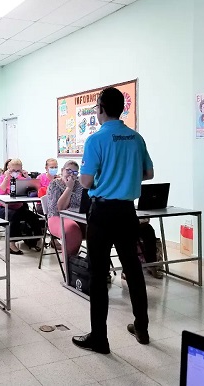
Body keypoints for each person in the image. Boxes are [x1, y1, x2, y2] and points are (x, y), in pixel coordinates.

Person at [72, 87, 154, 355]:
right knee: (133, 268)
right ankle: (141, 326)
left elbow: (85, 181)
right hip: (127, 212)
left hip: (103, 213)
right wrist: (125, 179)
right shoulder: (136, 137)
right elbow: (148, 173)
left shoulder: (96, 140)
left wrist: (106, 181)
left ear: (101, 109)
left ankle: (100, 338)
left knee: (97, 275)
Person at [0, 158, 43, 254]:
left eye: (18, 171)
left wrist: (28, 177)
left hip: (18, 207)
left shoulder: (21, 179)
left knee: (34, 217)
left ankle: (36, 239)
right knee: (14, 216)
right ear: (8, 168)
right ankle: (11, 243)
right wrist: (6, 178)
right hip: (2, 208)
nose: (15, 173)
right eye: (13, 170)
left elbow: (34, 189)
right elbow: (0, 191)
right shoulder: (2, 177)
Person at [46, 161, 84, 256]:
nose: (71, 175)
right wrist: (69, 188)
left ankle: (92, 265)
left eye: (75, 173)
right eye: (68, 171)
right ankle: (69, 266)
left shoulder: (80, 185)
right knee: (72, 229)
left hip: (77, 216)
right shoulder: (54, 184)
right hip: (57, 217)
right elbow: (60, 208)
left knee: (98, 227)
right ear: (62, 171)